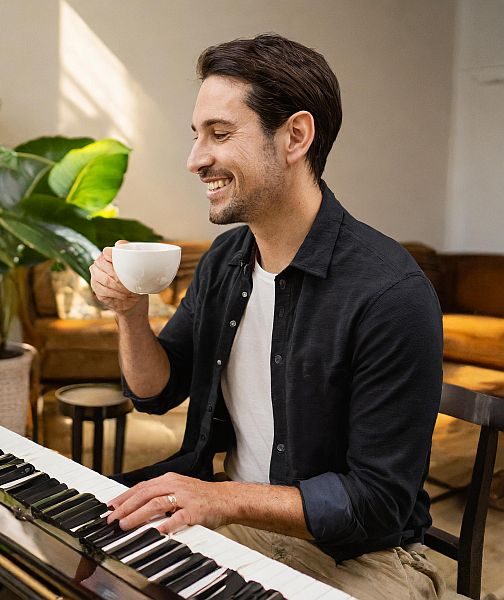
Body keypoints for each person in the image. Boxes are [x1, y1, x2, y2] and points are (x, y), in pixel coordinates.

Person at [90, 33, 445, 600]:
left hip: (363, 556)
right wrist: (129, 313)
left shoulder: (391, 294)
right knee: (87, 573)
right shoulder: (226, 261)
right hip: (241, 528)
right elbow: (156, 390)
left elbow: (378, 504)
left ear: (295, 137)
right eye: (196, 135)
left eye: (220, 134)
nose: (194, 158)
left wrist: (222, 497)